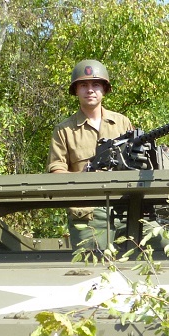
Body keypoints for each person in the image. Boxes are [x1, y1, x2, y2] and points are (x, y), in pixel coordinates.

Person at [47, 59, 139, 250]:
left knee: (164, 248)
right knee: (91, 267)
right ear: (76, 91)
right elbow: (56, 171)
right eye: (83, 85)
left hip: (127, 207)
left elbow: (138, 160)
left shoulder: (122, 123)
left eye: (96, 84)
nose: (90, 90)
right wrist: (84, 178)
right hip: (88, 213)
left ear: (104, 89)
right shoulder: (64, 130)